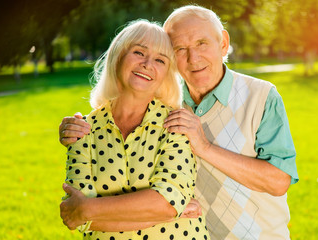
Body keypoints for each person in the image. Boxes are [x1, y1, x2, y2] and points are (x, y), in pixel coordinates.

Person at [59, 6, 299, 240]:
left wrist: (204, 147)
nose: (193, 58)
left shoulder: (261, 96)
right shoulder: (164, 104)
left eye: (201, 44)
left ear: (223, 43)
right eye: (180, 48)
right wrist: (74, 128)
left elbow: (278, 181)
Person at [59, 19, 210, 240]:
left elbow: (167, 203)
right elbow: (76, 218)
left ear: (166, 74)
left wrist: (89, 209)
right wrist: (169, 213)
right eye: (139, 53)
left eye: (160, 60)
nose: (148, 63)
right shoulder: (83, 129)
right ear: (118, 56)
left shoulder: (177, 124)